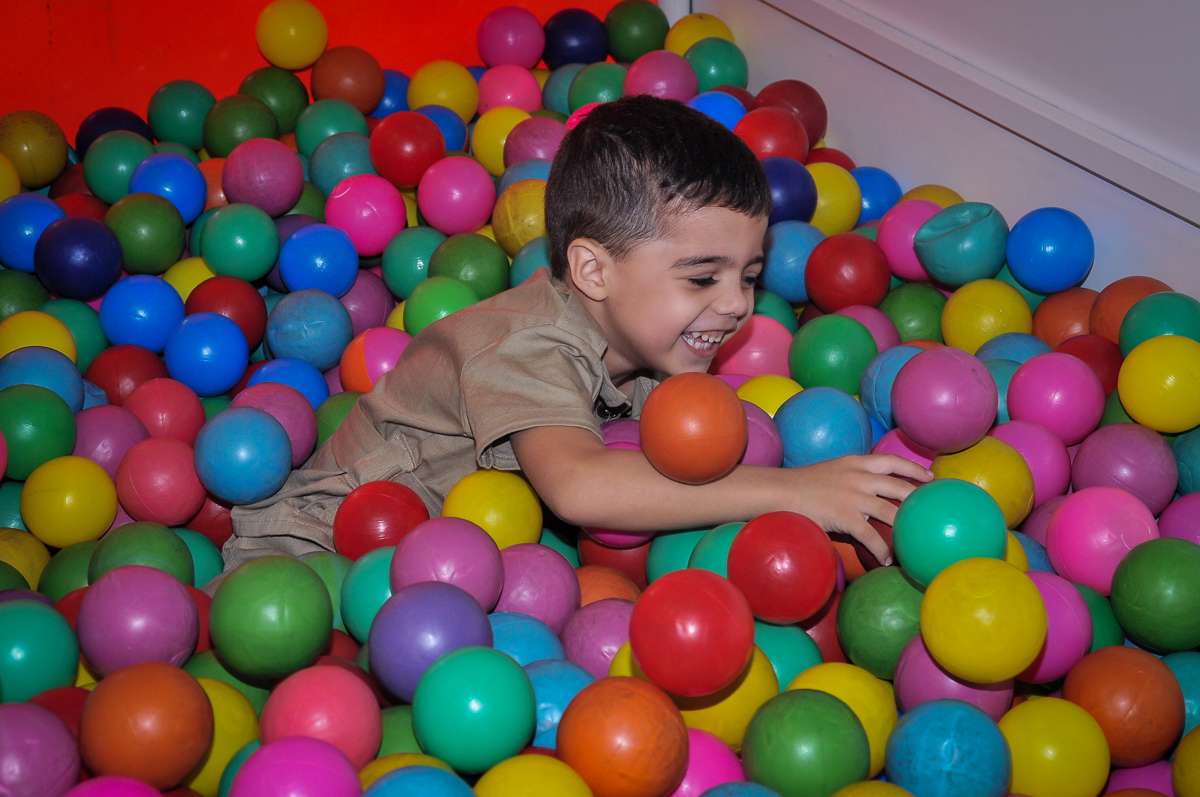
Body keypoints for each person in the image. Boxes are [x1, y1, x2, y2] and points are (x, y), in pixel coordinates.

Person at [225, 94, 928, 570]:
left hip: (453, 564)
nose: (738, 304)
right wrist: (795, 490)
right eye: (701, 277)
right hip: (313, 555)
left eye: (750, 274)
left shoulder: (658, 345)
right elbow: (582, 488)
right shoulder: (522, 342)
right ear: (593, 269)